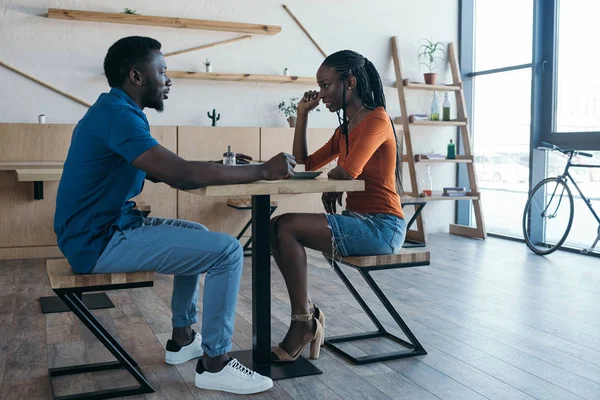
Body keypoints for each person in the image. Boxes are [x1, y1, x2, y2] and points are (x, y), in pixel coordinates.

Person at [54, 36, 295, 395]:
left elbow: (162, 169)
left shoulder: (116, 111)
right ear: (137, 76)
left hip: (104, 229)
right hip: (97, 242)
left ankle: (183, 339)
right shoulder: (119, 117)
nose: (168, 80)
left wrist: (215, 166)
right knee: (227, 250)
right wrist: (262, 170)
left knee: (198, 232)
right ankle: (215, 364)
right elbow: (180, 173)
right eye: (162, 71)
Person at [270, 50, 405, 362]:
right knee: (276, 226)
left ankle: (304, 323)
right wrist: (303, 114)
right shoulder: (344, 128)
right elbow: (304, 162)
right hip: (358, 219)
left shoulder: (376, 120)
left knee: (286, 226)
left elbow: (347, 171)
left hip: (382, 227)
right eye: (319, 86)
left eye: (326, 85)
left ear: (351, 82)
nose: (321, 94)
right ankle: (306, 317)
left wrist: (336, 180)